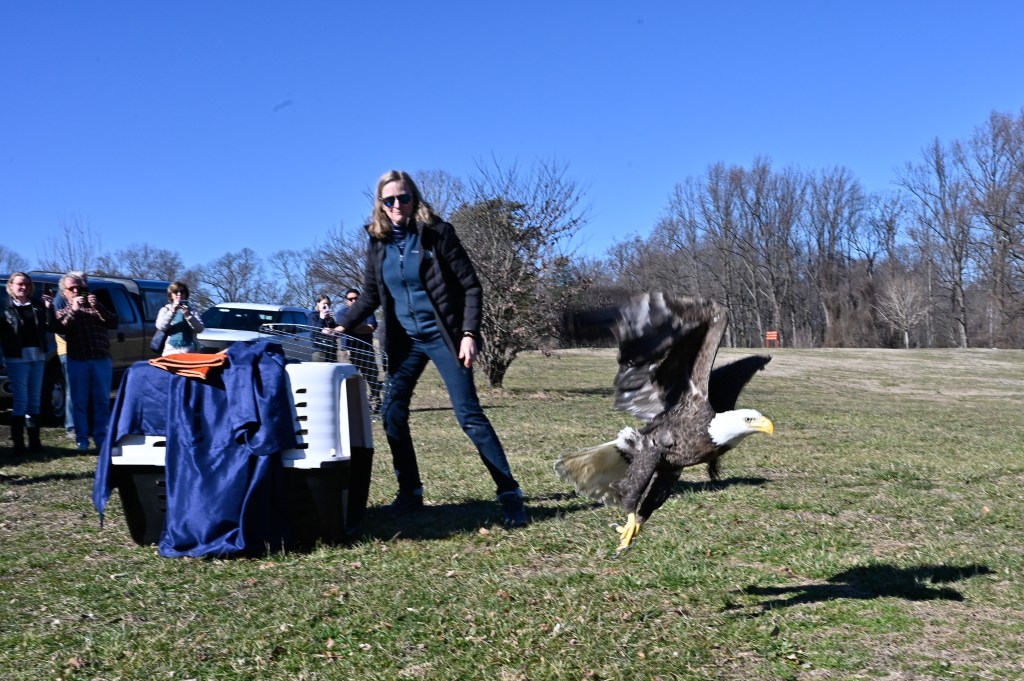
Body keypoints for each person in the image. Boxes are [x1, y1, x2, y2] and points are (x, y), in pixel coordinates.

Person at [336, 169, 528, 527]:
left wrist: (469, 333)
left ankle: (510, 495)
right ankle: (410, 493)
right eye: (389, 200)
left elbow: (470, 286)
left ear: (415, 199)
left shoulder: (438, 233)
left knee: (468, 415)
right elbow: (371, 294)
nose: (397, 205)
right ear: (380, 204)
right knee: (392, 411)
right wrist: (342, 322)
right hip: (405, 341)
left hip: (445, 337)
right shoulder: (377, 242)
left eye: (403, 198)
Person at [51, 272, 118, 452]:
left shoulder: (95, 306)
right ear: (64, 293)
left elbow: (113, 322)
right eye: (71, 288)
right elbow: (60, 327)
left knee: (102, 400)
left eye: (79, 288)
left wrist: (99, 307)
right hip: (78, 360)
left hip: (101, 359)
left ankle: (101, 438)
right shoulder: (62, 311)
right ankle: (82, 440)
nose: (76, 291)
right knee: (79, 401)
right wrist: (73, 309)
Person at [1, 273, 52, 454]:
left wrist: (48, 308)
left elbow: (50, 326)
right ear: (11, 286)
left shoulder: (37, 305)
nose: (24, 287)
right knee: (21, 400)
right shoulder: (5, 308)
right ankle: (19, 443)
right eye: (20, 284)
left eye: (27, 284)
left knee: (35, 400)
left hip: (37, 356)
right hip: (17, 358)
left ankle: (35, 442)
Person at [340, 288, 381, 410]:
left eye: (356, 298)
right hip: (349, 351)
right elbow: (341, 325)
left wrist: (350, 326)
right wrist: (359, 327)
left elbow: (370, 328)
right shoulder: (342, 313)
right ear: (346, 301)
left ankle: (376, 403)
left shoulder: (368, 312)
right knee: (351, 378)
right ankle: (359, 406)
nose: (353, 301)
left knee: (372, 377)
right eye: (350, 299)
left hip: (366, 349)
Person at [155, 281, 205, 355]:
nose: (179, 294)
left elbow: (200, 329)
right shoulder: (165, 310)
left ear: (185, 294)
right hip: (170, 352)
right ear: (171, 295)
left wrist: (188, 315)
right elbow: (160, 327)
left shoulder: (192, 311)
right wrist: (172, 312)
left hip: (190, 352)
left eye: (182, 292)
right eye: (175, 292)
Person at [309, 293, 339, 362]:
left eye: (328, 304)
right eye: (324, 303)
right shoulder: (313, 316)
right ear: (318, 303)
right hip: (320, 350)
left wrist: (330, 320)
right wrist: (322, 318)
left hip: (331, 350)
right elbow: (314, 332)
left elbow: (335, 331)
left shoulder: (329, 317)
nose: (326, 306)